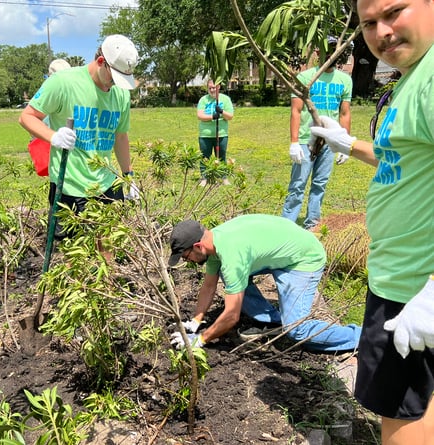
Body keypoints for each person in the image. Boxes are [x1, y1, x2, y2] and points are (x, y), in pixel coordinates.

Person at [309, 1, 434, 443]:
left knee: (402, 417)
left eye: (394, 11)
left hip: (413, 291)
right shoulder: (411, 79)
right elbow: (399, 156)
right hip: (404, 281)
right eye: (368, 23)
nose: (381, 31)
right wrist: (349, 143)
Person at [19, 35, 140, 260]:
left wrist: (128, 175)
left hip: (106, 182)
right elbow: (27, 117)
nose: (114, 84)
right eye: (114, 78)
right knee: (74, 255)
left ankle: (107, 289)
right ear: (101, 61)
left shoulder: (120, 93)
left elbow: (120, 136)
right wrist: (53, 136)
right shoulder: (63, 82)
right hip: (70, 185)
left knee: (109, 245)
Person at [167, 215, 361, 352]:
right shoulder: (214, 240)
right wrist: (195, 322)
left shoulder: (233, 254)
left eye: (186, 256)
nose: (188, 261)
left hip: (303, 259)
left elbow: (232, 316)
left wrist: (200, 340)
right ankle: (273, 320)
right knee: (229, 277)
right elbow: (209, 286)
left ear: (198, 246)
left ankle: (362, 337)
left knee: (296, 330)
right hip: (281, 253)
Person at [281, 37, 353, 230]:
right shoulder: (305, 78)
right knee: (298, 184)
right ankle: (286, 225)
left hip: (330, 142)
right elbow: (296, 111)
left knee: (320, 184)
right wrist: (294, 142)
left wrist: (345, 144)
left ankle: (312, 223)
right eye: (325, 50)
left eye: (333, 50)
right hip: (307, 140)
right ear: (317, 53)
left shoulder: (345, 80)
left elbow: (345, 113)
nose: (330, 54)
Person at [196, 79, 234, 186]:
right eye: (210, 88)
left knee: (221, 156)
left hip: (221, 134)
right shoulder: (203, 100)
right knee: (205, 157)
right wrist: (212, 116)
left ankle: (223, 177)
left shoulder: (225, 99)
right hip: (205, 134)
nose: (212, 90)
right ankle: (204, 178)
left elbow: (230, 116)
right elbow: (200, 115)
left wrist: (221, 112)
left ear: (219, 87)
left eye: (214, 87)